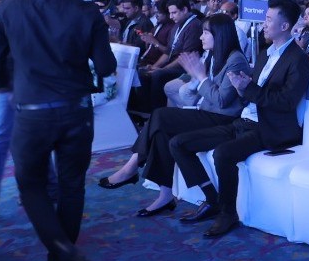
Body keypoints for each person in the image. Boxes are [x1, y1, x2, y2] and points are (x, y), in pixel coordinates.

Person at [0, 0, 116, 261]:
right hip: (76, 112)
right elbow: (106, 67)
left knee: (31, 186)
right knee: (72, 186)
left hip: (31, 113)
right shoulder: (87, 12)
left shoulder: (9, 9)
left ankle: (60, 249)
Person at [167, 0, 309, 238]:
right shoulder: (265, 54)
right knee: (178, 143)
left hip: (270, 129)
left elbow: (286, 102)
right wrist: (241, 88)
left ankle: (228, 213)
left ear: (285, 26)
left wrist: (248, 89)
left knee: (223, 153)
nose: (264, 24)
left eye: (268, 20)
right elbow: (253, 93)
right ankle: (211, 199)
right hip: (244, 121)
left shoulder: (298, 59)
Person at [96, 14, 251, 213]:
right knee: (161, 133)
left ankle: (132, 165)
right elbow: (195, 93)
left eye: (205, 33)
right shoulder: (213, 56)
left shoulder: (236, 60)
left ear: (220, 35)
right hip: (207, 113)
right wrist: (195, 77)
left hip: (224, 120)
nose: (201, 37)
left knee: (160, 115)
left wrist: (201, 76)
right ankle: (166, 195)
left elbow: (222, 100)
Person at [0, 0, 38, 222]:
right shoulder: (16, 0)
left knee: (16, 139)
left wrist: (2, 82)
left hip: (20, 84)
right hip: (16, 83)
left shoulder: (25, 2)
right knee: (24, 139)